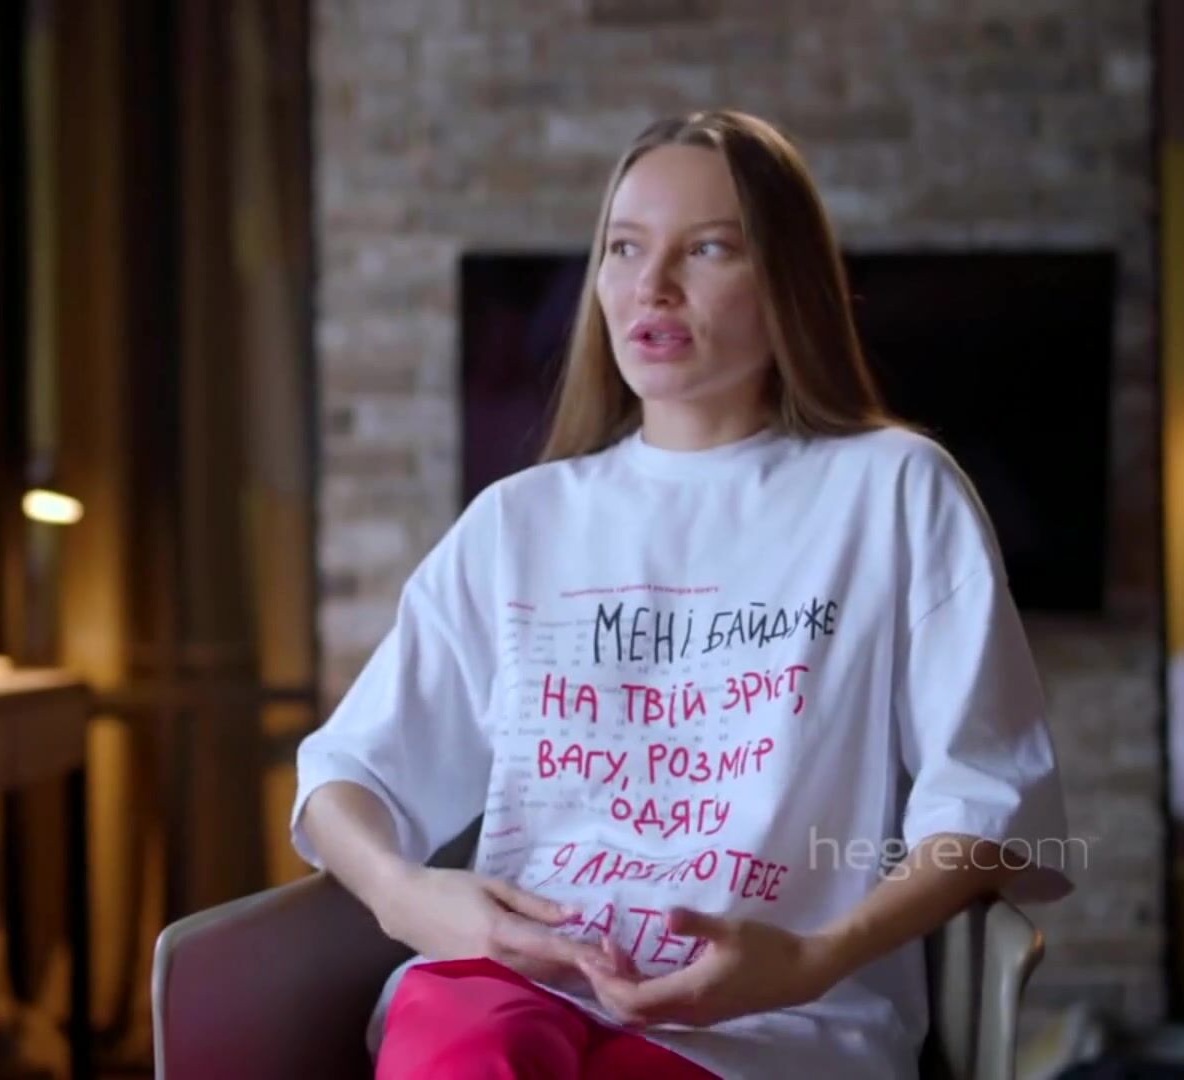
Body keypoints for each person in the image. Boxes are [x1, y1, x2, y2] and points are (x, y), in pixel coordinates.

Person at [292, 109, 1074, 1079]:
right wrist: (406, 897)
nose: (650, 286)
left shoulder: (894, 490)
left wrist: (813, 960)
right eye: (624, 248)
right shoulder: (517, 521)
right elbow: (347, 773)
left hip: (775, 1027)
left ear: (786, 281)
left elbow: (987, 805)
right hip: (508, 988)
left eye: (707, 249)